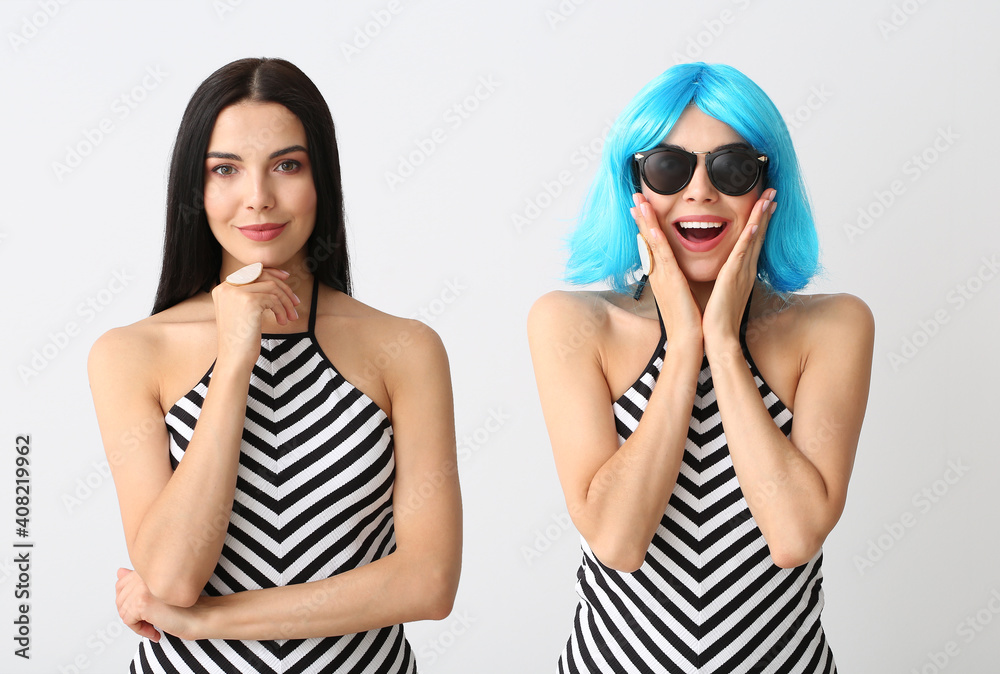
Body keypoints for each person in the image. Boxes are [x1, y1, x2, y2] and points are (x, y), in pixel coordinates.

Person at [87, 57, 462, 674]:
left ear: (322, 181)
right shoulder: (131, 353)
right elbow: (172, 576)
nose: (257, 198)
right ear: (195, 187)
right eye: (225, 170)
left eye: (287, 165)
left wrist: (207, 622)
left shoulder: (405, 348)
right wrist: (234, 359)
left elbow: (429, 582)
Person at [527, 62, 873, 673]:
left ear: (769, 188)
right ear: (632, 186)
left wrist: (724, 342)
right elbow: (617, 539)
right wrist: (684, 344)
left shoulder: (835, 327)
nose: (699, 193)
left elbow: (794, 535)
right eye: (669, 166)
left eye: (731, 168)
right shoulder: (573, 324)